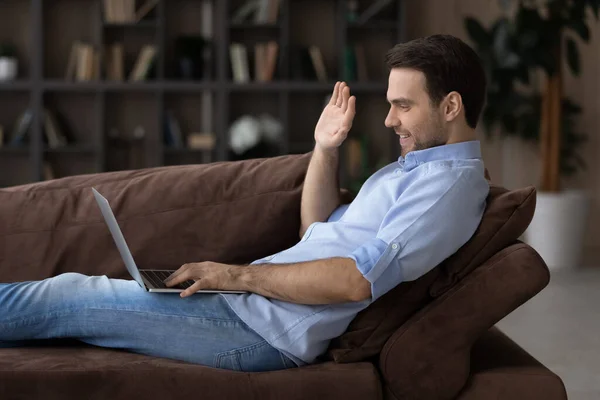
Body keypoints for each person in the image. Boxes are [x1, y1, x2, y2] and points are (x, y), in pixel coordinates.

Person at [0, 34, 490, 372]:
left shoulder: (447, 188)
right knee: (75, 296)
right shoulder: (415, 171)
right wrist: (324, 149)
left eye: (403, 105)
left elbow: (355, 281)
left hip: (259, 333)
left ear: (451, 106)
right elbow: (316, 228)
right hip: (251, 311)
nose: (388, 121)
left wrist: (234, 275)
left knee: (68, 294)